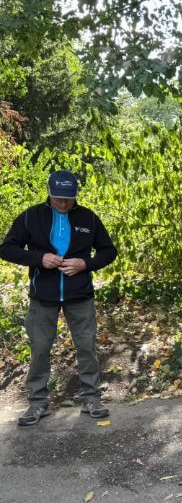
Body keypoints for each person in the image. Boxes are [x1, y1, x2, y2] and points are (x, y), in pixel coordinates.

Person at [0, 170, 117, 426]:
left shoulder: (88, 218)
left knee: (86, 347)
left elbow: (109, 251)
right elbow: (7, 249)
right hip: (43, 296)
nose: (63, 204)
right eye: (58, 199)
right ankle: (38, 403)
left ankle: (91, 399)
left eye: (68, 199)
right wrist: (39, 258)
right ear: (49, 193)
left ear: (76, 196)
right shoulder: (31, 216)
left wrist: (85, 264)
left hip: (80, 295)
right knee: (40, 350)